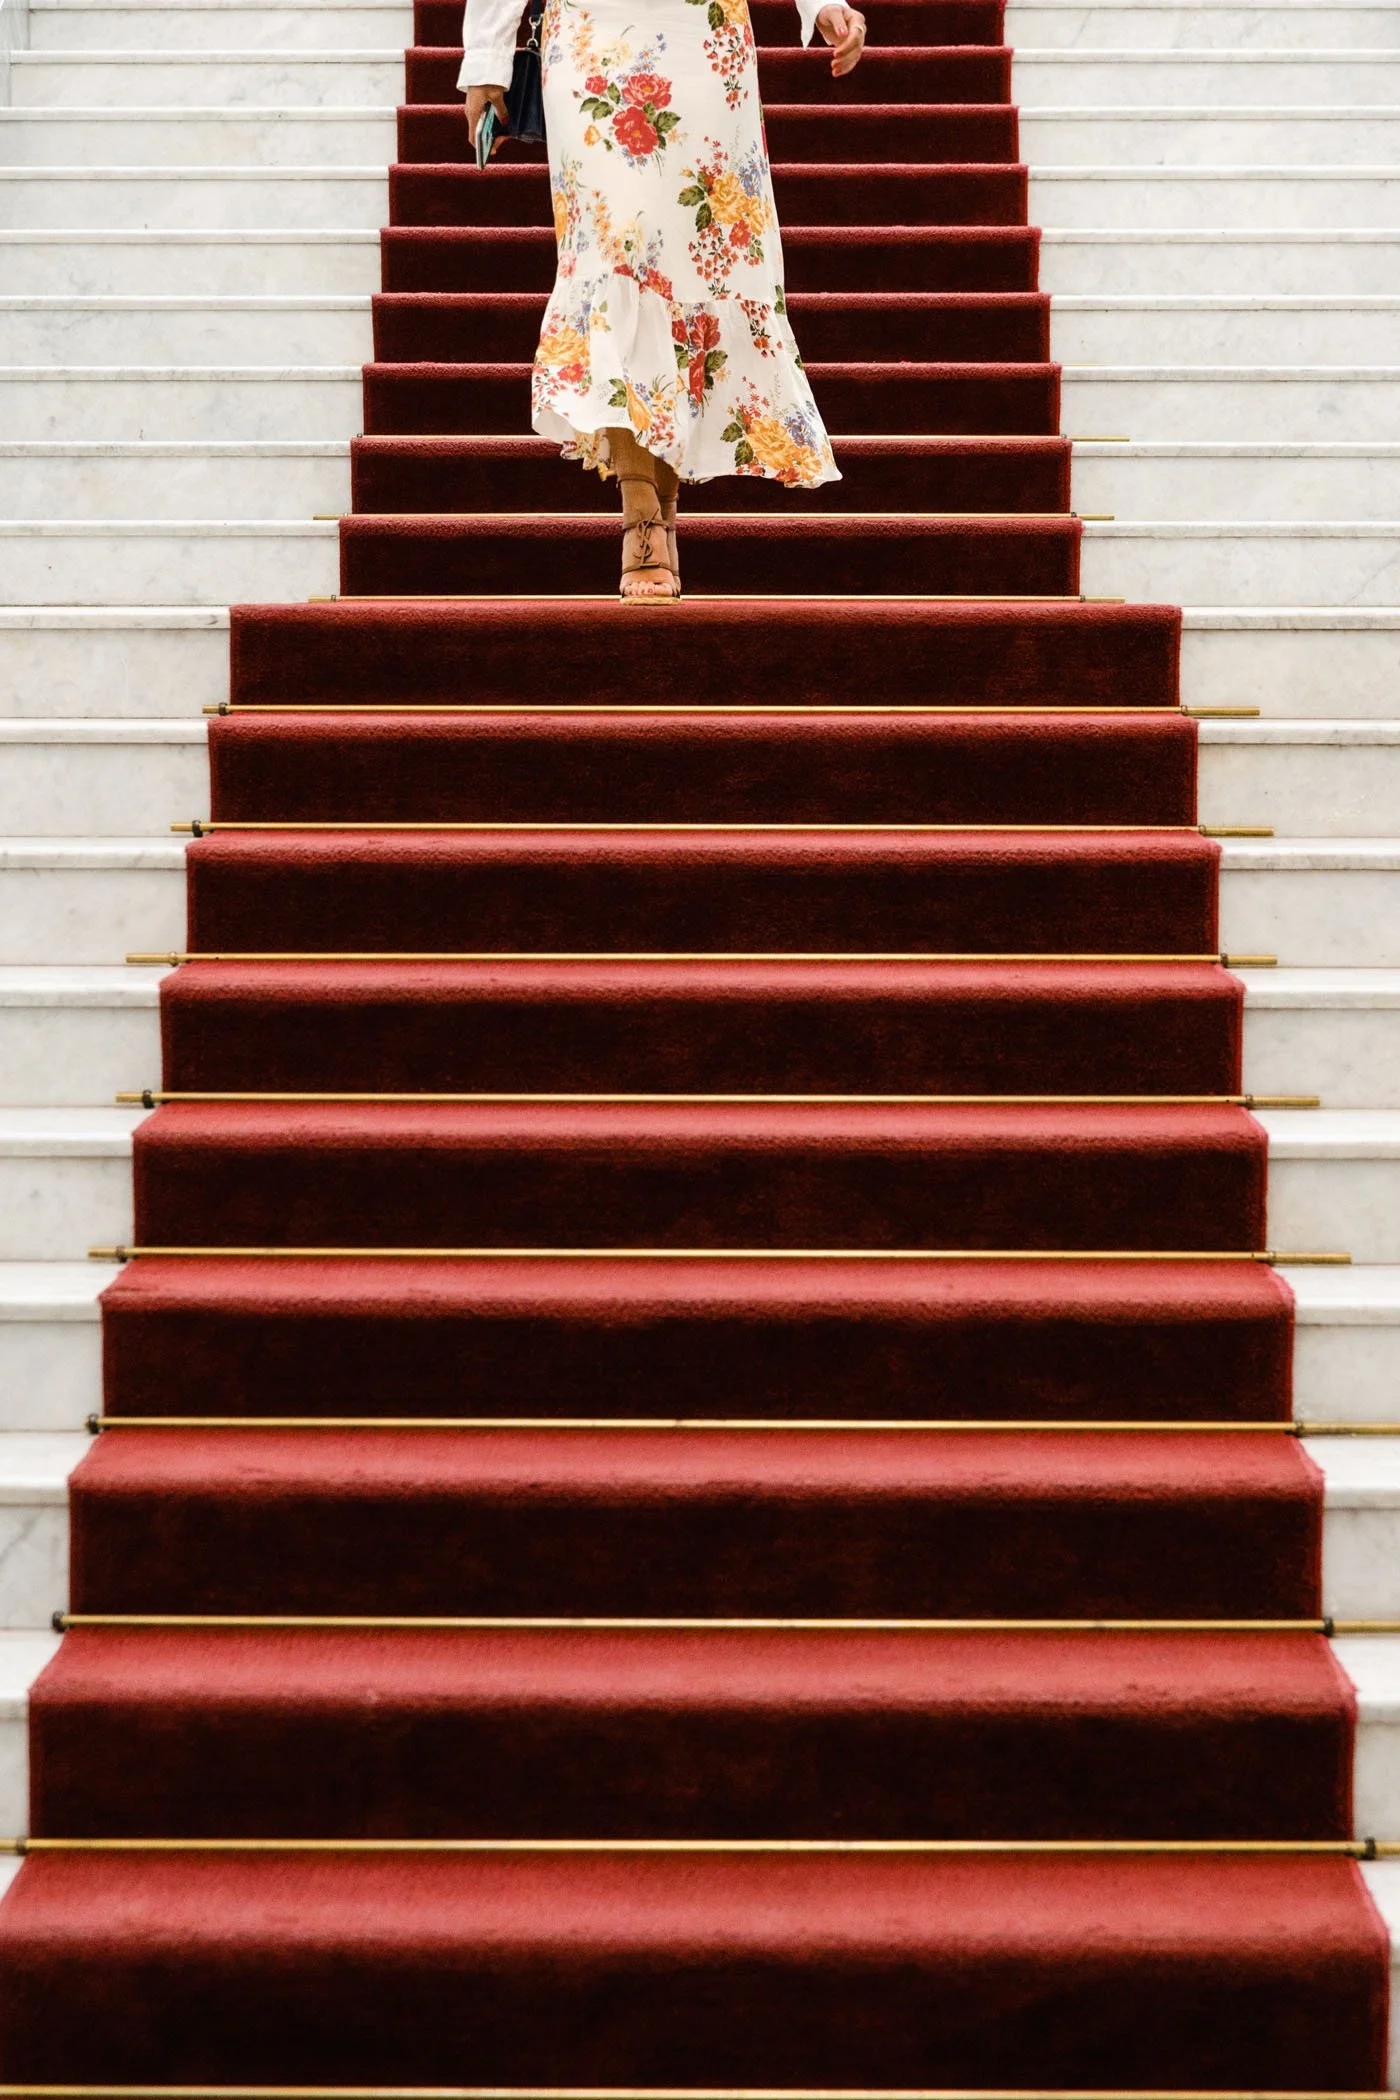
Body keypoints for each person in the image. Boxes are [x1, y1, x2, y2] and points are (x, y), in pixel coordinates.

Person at [462, 0, 866, 600]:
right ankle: (640, 510)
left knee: (688, 269)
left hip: (702, 36)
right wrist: (487, 53)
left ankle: (664, 502)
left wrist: (824, 3)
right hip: (591, 32)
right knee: (615, 254)